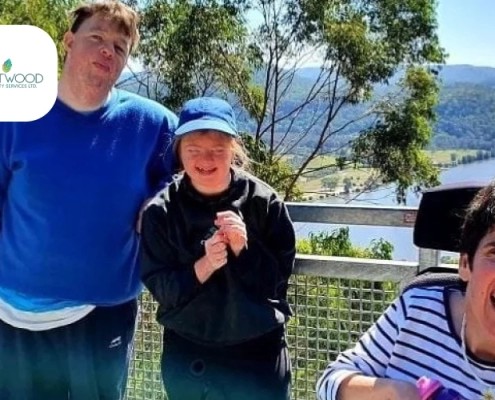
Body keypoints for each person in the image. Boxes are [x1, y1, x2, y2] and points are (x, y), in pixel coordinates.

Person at [0, 1, 177, 399]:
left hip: (101, 315)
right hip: (11, 314)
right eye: (96, 37)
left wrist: (162, 198)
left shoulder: (152, 124)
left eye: (119, 47)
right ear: (68, 42)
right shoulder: (14, 116)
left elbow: (202, 170)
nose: (107, 51)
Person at [139, 96, 296, 400]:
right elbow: (162, 289)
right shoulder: (161, 212)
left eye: (217, 150)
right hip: (189, 354)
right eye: (194, 149)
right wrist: (205, 264)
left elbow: (276, 284)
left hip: (259, 351)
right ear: (179, 151)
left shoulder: (265, 203)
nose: (206, 159)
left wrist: (243, 251)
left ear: (233, 150)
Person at [316, 180, 495, 400]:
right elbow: (329, 382)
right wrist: (394, 391)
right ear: (465, 264)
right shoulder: (418, 308)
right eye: (494, 253)